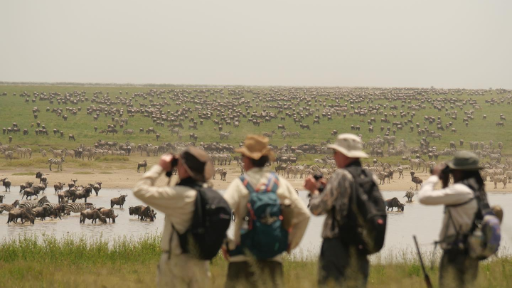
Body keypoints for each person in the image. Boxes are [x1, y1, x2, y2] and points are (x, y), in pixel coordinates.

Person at [223, 135, 310, 288]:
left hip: (241, 256)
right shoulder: (280, 183)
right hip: (273, 258)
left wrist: (226, 244)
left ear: (248, 159)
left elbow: (219, 213)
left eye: (243, 157)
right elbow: (304, 215)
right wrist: (289, 244)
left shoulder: (240, 184)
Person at [133, 147, 215, 288]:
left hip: (177, 264)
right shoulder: (212, 195)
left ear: (183, 168)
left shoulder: (178, 195)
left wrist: (160, 167)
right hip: (202, 264)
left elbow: (140, 190)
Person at [305, 133, 379, 288]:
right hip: (361, 245)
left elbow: (317, 209)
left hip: (337, 247)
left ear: (344, 155)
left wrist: (314, 192)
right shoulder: (370, 178)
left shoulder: (341, 176)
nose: (333, 156)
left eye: (335, 153)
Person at [418, 151, 485, 288]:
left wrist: (434, 177)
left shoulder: (461, 191)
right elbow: (451, 206)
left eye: (454, 170)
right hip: (470, 252)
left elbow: (424, 197)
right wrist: (445, 184)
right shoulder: (476, 190)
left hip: (456, 254)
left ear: (460, 171)